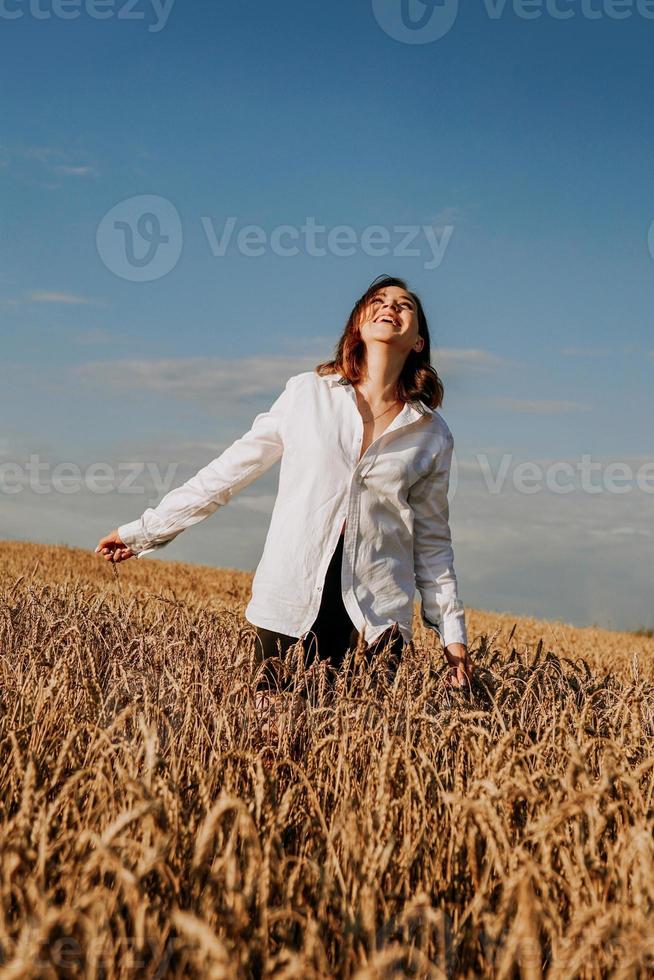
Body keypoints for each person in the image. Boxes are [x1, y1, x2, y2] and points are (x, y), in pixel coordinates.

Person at [95, 275, 475, 700]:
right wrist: (145, 530)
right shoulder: (307, 394)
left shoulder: (431, 433)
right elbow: (229, 471)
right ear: (358, 324)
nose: (390, 307)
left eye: (404, 305)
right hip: (292, 598)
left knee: (355, 755)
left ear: (419, 340)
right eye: (379, 300)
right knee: (270, 738)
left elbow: (433, 543)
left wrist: (453, 640)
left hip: (377, 619)